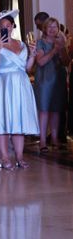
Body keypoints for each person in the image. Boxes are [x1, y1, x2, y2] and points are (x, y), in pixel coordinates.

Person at [0, 9, 39, 169]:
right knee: (2, 120)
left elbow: (27, 68)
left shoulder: (22, 44)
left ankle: (19, 156)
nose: (5, 28)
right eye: (2, 26)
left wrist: (32, 55)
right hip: (3, 85)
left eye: (8, 25)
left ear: (13, 26)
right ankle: (4, 157)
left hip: (21, 84)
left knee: (19, 120)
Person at [34, 17, 69, 152]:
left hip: (58, 80)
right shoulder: (40, 43)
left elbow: (66, 62)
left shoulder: (61, 43)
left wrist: (62, 49)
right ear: (45, 29)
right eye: (50, 27)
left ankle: (54, 139)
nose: (52, 29)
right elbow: (41, 61)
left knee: (56, 110)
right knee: (44, 110)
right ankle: (43, 140)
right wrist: (54, 50)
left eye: (55, 27)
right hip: (44, 80)